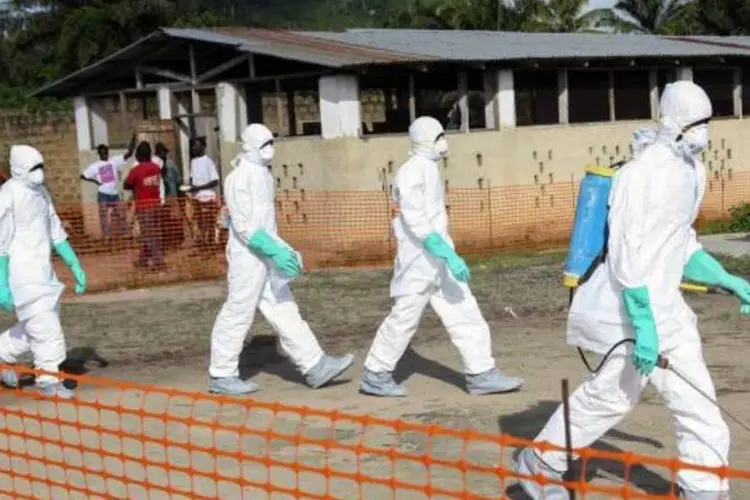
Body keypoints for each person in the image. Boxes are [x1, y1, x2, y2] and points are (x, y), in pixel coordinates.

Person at [513, 81, 742, 500]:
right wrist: (643, 324)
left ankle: (703, 488)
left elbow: (680, 242)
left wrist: (727, 279)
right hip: (624, 309)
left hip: (668, 310)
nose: (703, 132)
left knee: (700, 406)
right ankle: (539, 465)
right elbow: (625, 254)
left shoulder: (694, 171)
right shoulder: (638, 175)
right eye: (696, 123)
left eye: (708, 122)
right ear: (672, 122)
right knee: (610, 398)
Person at [359, 116, 523, 397]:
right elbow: (416, 221)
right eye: (438, 137)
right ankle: (376, 373)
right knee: (404, 318)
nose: (443, 142)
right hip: (418, 262)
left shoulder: (429, 168)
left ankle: (481, 373)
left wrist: (448, 255)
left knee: (466, 312)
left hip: (441, 260)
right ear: (424, 139)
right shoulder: (411, 172)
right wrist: (446, 253)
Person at [208, 123, 353, 396]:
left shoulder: (263, 175)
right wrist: (274, 250)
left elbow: (267, 224)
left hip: (265, 251)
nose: (270, 148)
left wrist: (283, 250)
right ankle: (221, 373)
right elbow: (244, 226)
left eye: (271, 142)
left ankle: (314, 364)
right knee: (238, 310)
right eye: (263, 144)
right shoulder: (239, 178)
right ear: (249, 146)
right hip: (247, 256)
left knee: (284, 306)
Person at [0, 145, 87, 399]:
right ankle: (48, 379)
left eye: (41, 166)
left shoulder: (41, 193)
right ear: (19, 169)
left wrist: (74, 265)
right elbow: (1, 243)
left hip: (44, 273)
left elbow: (55, 230)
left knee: (35, 327)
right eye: (33, 168)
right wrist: (2, 283)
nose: (39, 172)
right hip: (22, 274)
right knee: (46, 329)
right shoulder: (8, 195)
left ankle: (2, 352)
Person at [81, 135, 136, 244]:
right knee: (103, 216)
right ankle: (106, 237)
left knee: (121, 213)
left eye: (106, 152)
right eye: (102, 153)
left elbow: (129, 154)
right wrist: (95, 182)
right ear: (99, 154)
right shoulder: (95, 166)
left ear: (108, 152)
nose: (105, 154)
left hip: (114, 194)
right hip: (103, 194)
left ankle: (125, 233)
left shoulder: (114, 161)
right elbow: (83, 176)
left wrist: (133, 141)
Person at [123, 142, 166, 272]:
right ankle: (143, 259)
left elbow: (126, 184)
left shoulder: (136, 170)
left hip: (144, 206)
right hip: (156, 205)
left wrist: (136, 185)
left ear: (138, 155)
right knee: (155, 233)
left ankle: (159, 262)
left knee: (148, 235)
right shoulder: (156, 168)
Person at [185, 137, 219, 257]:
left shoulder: (208, 162)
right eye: (193, 145)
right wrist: (190, 187)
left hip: (207, 198)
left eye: (197, 145)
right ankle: (203, 247)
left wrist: (198, 188)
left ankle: (210, 249)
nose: (194, 148)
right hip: (197, 198)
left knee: (208, 224)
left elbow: (215, 181)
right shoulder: (193, 161)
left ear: (203, 147)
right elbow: (193, 179)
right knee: (199, 224)